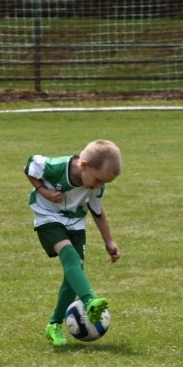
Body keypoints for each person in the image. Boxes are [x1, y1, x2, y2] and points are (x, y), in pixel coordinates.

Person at [25, 140, 122, 347]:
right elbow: (30, 166)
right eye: (97, 181)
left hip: (75, 221)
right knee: (70, 257)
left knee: (74, 270)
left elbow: (97, 211)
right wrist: (44, 192)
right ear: (84, 165)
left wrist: (109, 241)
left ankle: (54, 325)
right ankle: (89, 301)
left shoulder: (97, 185)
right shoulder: (57, 166)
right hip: (47, 216)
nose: (99, 186)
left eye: (104, 183)